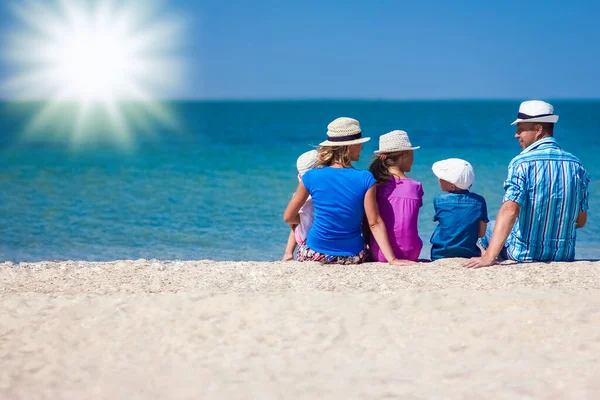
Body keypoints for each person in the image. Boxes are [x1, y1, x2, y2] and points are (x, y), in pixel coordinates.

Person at [465, 100, 590, 268]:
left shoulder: (521, 163)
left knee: (489, 227)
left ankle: (484, 254)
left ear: (538, 129)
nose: (516, 135)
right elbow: (580, 221)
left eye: (520, 130)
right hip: (563, 255)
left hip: (523, 254)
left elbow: (510, 210)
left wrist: (489, 257)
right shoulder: (577, 165)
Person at [283, 117, 405, 265]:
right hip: (352, 256)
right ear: (348, 147)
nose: (362, 148)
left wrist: (301, 222)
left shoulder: (310, 176)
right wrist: (392, 259)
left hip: (315, 253)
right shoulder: (365, 178)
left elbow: (288, 217)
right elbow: (374, 223)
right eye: (359, 144)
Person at [366, 130, 423, 262]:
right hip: (412, 253)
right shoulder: (416, 187)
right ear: (406, 153)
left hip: (381, 254)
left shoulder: (375, 185)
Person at [430, 158, 488, 260]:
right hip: (469, 253)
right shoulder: (479, 201)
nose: (439, 179)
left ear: (452, 186)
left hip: (440, 253)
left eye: (441, 178)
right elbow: (481, 233)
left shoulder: (439, 200)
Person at [282, 149, 318, 261]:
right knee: (297, 223)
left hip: (304, 240)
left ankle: (288, 253)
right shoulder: (316, 195)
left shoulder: (301, 196)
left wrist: (301, 219)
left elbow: (290, 220)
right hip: (313, 239)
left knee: (296, 225)